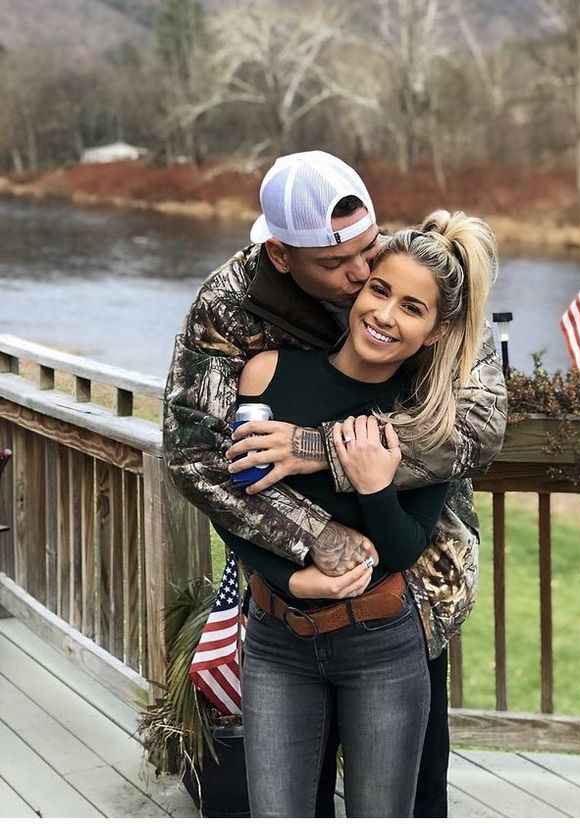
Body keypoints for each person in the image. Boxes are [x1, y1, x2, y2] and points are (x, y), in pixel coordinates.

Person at [163, 150, 508, 817]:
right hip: (290, 603)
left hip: (415, 586)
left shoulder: (413, 275)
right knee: (292, 791)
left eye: (366, 249)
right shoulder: (231, 308)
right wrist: (314, 542)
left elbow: (473, 433)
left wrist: (320, 449)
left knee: (413, 789)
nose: (360, 276)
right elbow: (193, 453)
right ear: (282, 256)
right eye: (336, 265)